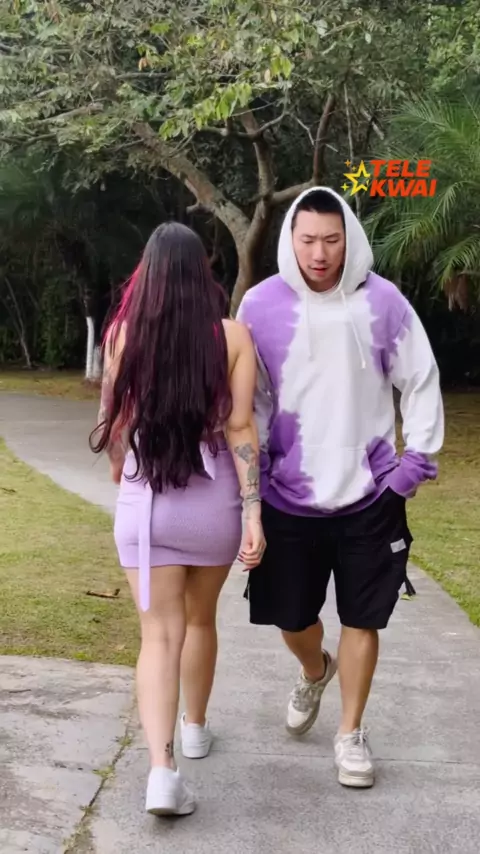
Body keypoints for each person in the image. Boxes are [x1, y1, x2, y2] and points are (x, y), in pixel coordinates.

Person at [236, 187, 444, 789]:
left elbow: (422, 379)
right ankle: (314, 668)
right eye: (308, 240)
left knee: (363, 617)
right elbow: (249, 400)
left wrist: (412, 465)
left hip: (370, 496)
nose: (320, 253)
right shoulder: (259, 305)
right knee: (291, 617)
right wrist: (252, 484)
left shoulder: (384, 302)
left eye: (332, 240)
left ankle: (350, 733)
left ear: (349, 239)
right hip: (287, 494)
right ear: (290, 240)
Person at [90, 222, 265, 816]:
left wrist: (121, 472)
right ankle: (195, 726)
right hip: (212, 509)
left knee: (158, 636)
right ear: (202, 274)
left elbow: (113, 423)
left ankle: (162, 772)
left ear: (148, 275)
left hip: (147, 507)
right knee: (200, 619)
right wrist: (253, 512)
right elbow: (241, 427)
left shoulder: (121, 336)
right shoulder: (233, 336)